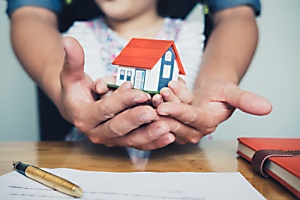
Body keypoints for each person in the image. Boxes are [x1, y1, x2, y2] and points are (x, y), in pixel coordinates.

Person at [6, 0, 272, 150]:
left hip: (180, 156)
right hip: (92, 155)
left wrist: (190, 94)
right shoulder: (82, 31)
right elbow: (94, 88)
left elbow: (235, 13)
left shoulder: (187, 34)